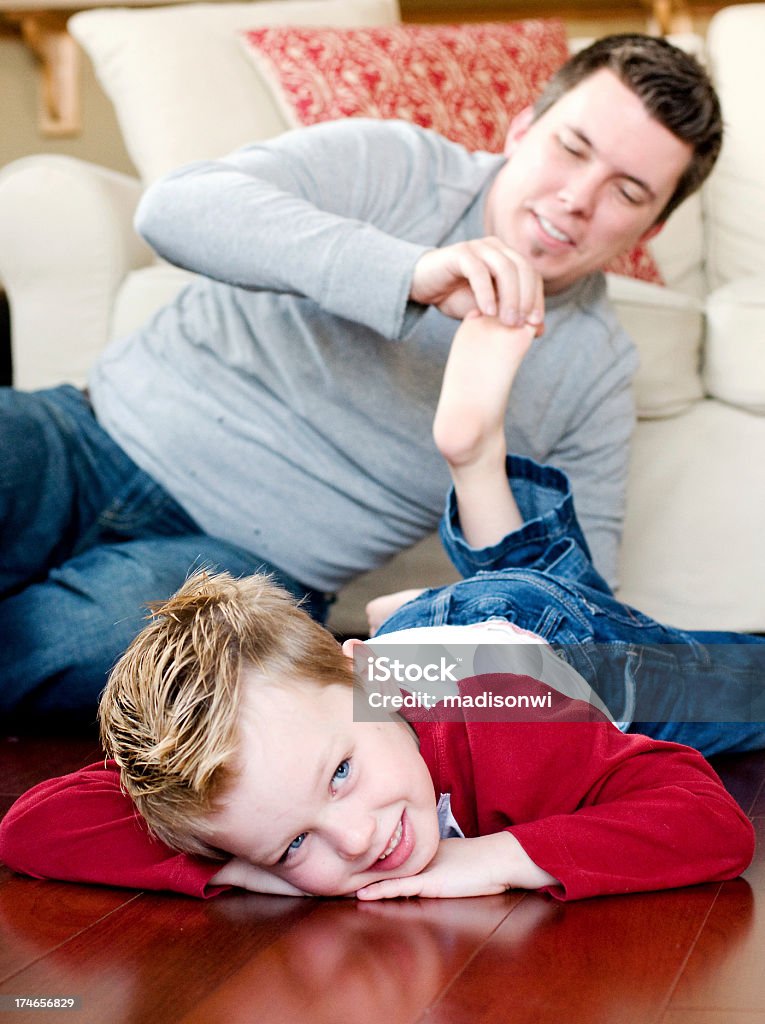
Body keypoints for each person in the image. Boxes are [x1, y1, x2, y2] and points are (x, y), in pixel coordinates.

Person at [0, 34, 723, 724]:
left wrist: (474, 450)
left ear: (649, 230)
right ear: (520, 129)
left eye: (627, 192)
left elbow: (579, 631)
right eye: (570, 148)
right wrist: (407, 273)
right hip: (84, 436)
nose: (576, 198)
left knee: (73, 647)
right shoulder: (398, 164)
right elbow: (172, 209)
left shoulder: (595, 370)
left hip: (240, 572)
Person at [0, 313, 756, 901]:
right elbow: (31, 830)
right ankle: (448, 569)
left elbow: (707, 823)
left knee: (731, 685)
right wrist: (241, 867)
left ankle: (474, 487)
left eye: (338, 776)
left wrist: (492, 858)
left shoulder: (507, 720)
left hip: (548, 660)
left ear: (363, 673)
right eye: (295, 844)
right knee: (499, 606)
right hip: (423, 655)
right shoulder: (268, 770)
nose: (356, 841)